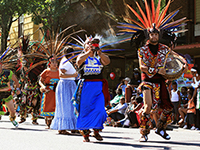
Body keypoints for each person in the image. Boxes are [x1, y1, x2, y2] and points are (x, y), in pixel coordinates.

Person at [137, 28, 187, 142]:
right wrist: (157, 70)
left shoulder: (165, 49)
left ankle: (160, 128)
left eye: (156, 34)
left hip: (160, 81)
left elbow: (176, 58)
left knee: (168, 107)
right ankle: (143, 133)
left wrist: (182, 66)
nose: (154, 36)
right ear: (148, 35)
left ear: (158, 35)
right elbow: (142, 67)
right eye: (152, 34)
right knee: (147, 106)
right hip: (147, 80)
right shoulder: (142, 50)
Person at [74, 36, 110, 142]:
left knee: (100, 110)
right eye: (88, 43)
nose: (90, 45)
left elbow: (107, 62)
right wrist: (88, 52)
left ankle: (97, 130)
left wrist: (100, 53)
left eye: (92, 43)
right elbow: (78, 62)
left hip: (98, 87)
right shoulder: (82, 56)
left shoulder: (99, 57)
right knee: (85, 110)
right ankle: (85, 133)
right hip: (86, 87)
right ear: (84, 46)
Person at [51, 47, 78, 135]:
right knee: (65, 105)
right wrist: (73, 74)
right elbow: (61, 75)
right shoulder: (65, 62)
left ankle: (73, 126)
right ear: (72, 54)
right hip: (66, 85)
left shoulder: (67, 61)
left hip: (69, 84)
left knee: (71, 106)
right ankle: (62, 127)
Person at [39, 56, 59, 128]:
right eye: (53, 62)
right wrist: (43, 86)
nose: (54, 64)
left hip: (57, 91)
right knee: (48, 105)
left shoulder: (59, 71)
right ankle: (48, 122)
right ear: (49, 63)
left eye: (56, 62)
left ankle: (54, 122)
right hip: (48, 91)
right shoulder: (46, 71)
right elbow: (40, 80)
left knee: (56, 105)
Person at [0, 62, 21, 127]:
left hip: (7, 95)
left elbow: (16, 80)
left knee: (12, 111)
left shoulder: (8, 73)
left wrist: (17, 89)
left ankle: (12, 119)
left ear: (1, 65)